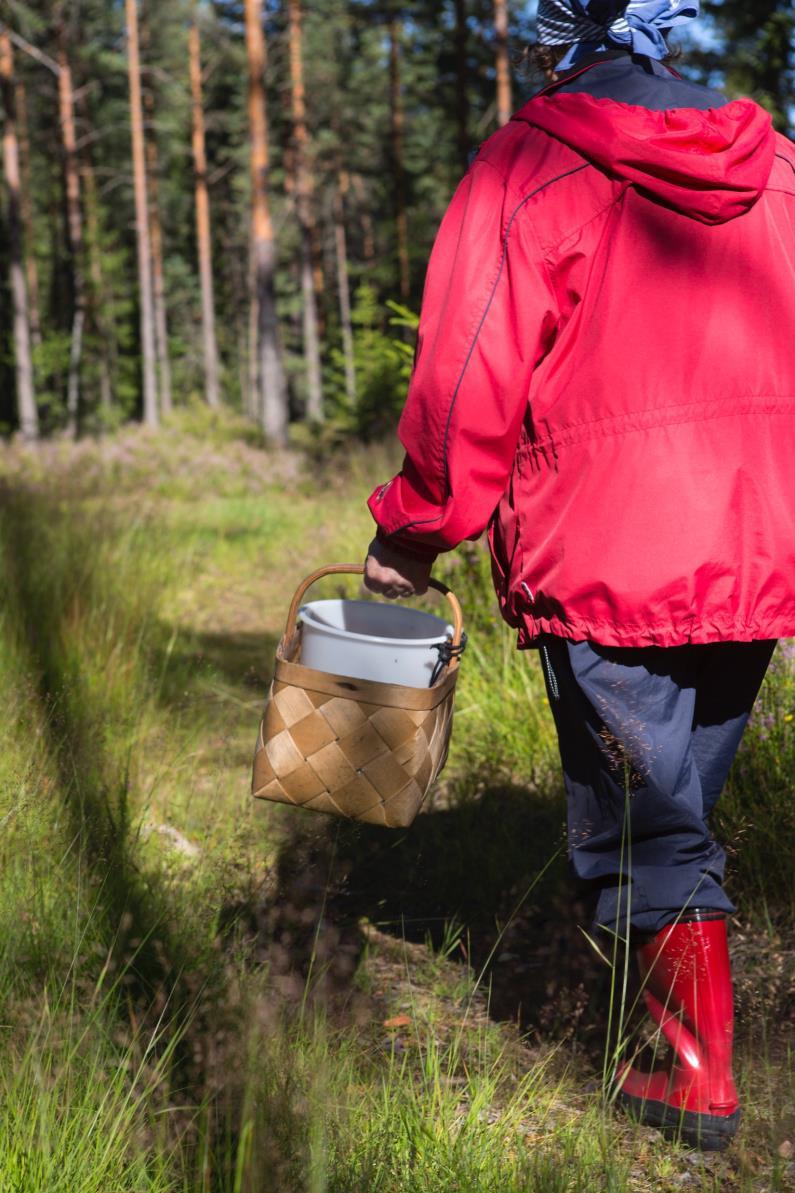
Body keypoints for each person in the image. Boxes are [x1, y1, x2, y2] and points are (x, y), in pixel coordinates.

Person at [362, 0, 795, 1153]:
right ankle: (671, 1035)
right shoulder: (781, 165)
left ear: (565, 39)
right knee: (680, 802)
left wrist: (416, 528)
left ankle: (690, 1076)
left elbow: (466, 368)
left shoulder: (533, 161)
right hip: (755, 543)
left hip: (610, 550)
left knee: (648, 826)